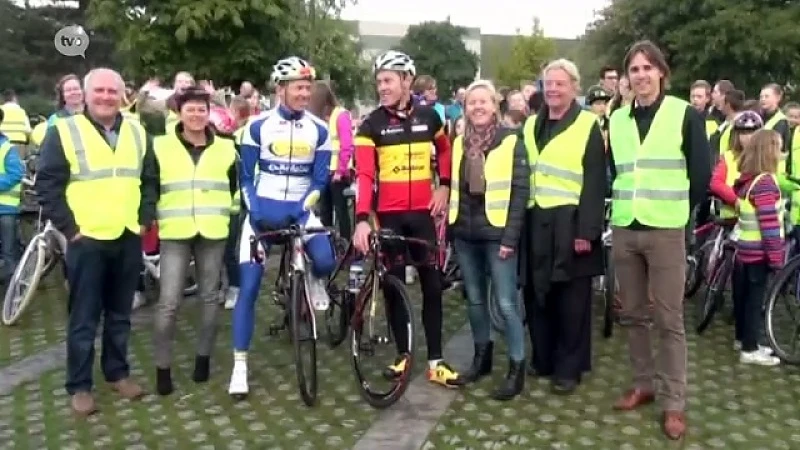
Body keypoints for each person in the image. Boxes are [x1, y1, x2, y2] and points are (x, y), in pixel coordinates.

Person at [35, 68, 159, 416]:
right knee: (84, 317)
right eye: (99, 91)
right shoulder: (63, 131)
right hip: (86, 239)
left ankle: (117, 372)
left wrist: (144, 218)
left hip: (126, 235)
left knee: (120, 313)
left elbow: (149, 178)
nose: (106, 97)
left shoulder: (136, 130)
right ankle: (79, 386)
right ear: (85, 95)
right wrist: (70, 228)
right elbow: (48, 184)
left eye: (112, 91)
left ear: (122, 95)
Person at [608, 41, 710, 440]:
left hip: (666, 228)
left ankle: (674, 402)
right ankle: (643, 383)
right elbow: (616, 168)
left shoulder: (683, 114)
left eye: (648, 68)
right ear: (627, 78)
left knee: (669, 319)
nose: (641, 75)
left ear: (661, 73)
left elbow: (700, 174)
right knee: (632, 313)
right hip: (625, 225)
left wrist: (681, 215)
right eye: (634, 69)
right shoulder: (617, 119)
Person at [352, 50, 462, 387]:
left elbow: (445, 150)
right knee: (393, 285)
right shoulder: (371, 124)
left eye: (388, 80)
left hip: (423, 216)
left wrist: (444, 186)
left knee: (431, 286)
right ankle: (403, 355)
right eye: (379, 81)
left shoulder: (430, 118)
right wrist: (360, 219)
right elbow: (366, 176)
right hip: (390, 218)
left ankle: (435, 360)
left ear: (407, 81)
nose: (382, 87)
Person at [228, 56, 336, 398]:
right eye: (298, 87)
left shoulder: (319, 129)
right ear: (281, 89)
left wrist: (305, 206)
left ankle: (315, 282)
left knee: (327, 260)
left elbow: (321, 180)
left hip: (301, 210)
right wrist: (255, 209)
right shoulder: (257, 127)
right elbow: (245, 177)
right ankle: (240, 366)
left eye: (308, 87)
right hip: (262, 210)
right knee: (248, 289)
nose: (305, 93)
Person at [521, 59, 606, 395]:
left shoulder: (588, 125)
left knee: (572, 300)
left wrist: (587, 232)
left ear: (574, 87)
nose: (553, 89)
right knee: (537, 293)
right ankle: (543, 358)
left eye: (559, 83)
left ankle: (569, 368)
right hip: (536, 220)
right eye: (548, 83)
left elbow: (596, 182)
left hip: (571, 223)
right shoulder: (530, 125)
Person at [151, 87, 238, 395]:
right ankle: (163, 367)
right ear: (179, 112)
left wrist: (231, 215)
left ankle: (203, 358)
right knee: (169, 302)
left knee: (209, 297)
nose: (197, 115)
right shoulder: (160, 146)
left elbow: (235, 187)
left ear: (209, 112)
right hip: (175, 231)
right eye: (191, 109)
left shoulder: (227, 148)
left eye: (202, 109)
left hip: (213, 230)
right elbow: (150, 183)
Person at [449, 80, 529, 399]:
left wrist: (511, 237)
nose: (478, 107)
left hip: (498, 235)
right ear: (465, 108)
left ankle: (516, 366)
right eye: (472, 102)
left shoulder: (511, 141)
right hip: (466, 234)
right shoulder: (458, 142)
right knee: (475, 300)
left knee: (507, 303)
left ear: (495, 106)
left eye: (484, 101)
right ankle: (481, 359)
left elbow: (521, 192)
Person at [732, 129, 785, 366]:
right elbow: (769, 225)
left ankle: (744, 338)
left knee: (745, 297)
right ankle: (750, 349)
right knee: (755, 300)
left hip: (745, 248)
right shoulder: (765, 183)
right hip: (759, 251)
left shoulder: (748, 180)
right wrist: (776, 257)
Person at [309, 81, 354, 239]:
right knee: (325, 212)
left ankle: (346, 243)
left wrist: (340, 171)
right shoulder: (320, 118)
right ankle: (327, 244)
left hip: (337, 174)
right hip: (324, 173)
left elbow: (346, 145)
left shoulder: (340, 115)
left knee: (341, 213)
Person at [0, 108, 24, 286]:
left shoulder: (7, 148)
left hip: (6, 209)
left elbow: (16, 174)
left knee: (9, 253)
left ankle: (12, 292)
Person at [759, 83, 791, 153]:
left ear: (778, 98)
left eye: (766, 96)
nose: (763, 99)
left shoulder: (781, 121)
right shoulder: (759, 117)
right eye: (761, 97)